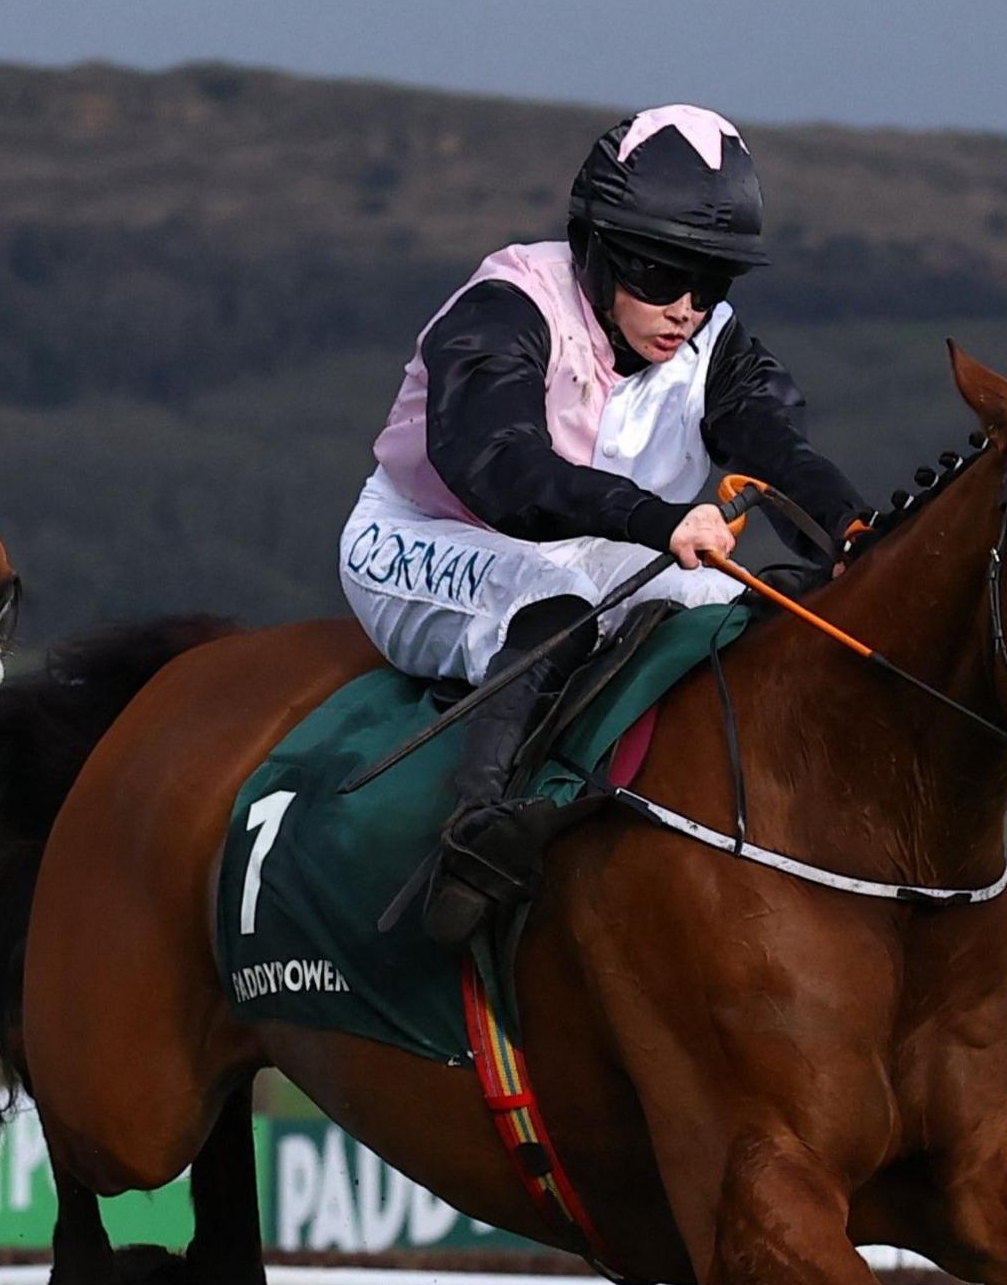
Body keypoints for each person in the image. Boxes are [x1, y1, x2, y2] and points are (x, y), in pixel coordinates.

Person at [339, 104, 868, 944]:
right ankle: (475, 836)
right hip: (425, 537)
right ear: (596, 245)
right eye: (662, 274)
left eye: (713, 280)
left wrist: (850, 536)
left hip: (608, 543)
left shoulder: (713, 344)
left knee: (727, 614)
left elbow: (775, 451)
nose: (688, 307)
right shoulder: (507, 307)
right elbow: (506, 474)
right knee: (555, 599)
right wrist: (659, 520)